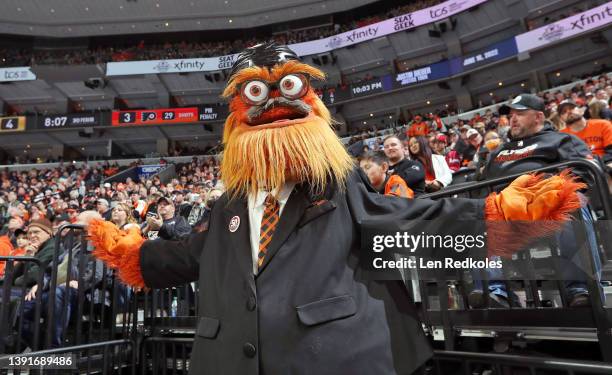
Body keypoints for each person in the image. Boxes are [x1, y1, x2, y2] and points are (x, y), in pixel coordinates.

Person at [89, 43, 584, 375]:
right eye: (256, 95)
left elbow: (404, 222)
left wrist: (497, 217)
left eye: (286, 91)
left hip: (331, 359)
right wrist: (132, 255)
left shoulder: (336, 183)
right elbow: (188, 256)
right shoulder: (228, 206)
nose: (274, 110)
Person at [472, 94, 602, 308]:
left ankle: (580, 290)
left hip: (547, 202)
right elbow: (485, 185)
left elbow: (582, 173)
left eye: (520, 113)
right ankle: (496, 292)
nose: (512, 119)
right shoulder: (499, 152)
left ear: (539, 116)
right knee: (477, 217)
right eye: (511, 115)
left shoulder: (561, 139)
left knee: (570, 204)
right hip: (509, 209)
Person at [558, 101, 612, 168]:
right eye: (564, 112)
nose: (569, 111)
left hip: (605, 164)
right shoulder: (560, 136)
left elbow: (610, 151)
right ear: (561, 119)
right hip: (580, 170)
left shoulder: (603, 124)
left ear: (581, 111)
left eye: (572, 108)